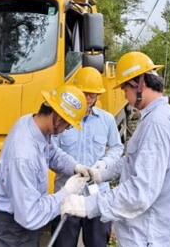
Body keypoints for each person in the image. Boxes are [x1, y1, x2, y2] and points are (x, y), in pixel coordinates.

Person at [61, 52, 170, 247]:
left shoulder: (157, 124)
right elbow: (130, 160)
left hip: (147, 237)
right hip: (141, 234)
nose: (124, 95)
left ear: (140, 84)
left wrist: (87, 205)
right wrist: (101, 174)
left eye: (125, 87)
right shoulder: (152, 118)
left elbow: (139, 193)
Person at [0, 84, 91, 247]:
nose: (67, 130)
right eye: (69, 125)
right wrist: (65, 193)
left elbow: (51, 153)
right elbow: (30, 215)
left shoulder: (32, 124)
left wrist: (75, 166)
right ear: (58, 118)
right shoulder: (23, 155)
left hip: (21, 219)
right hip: (15, 228)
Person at [51, 67, 124, 247]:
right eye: (85, 93)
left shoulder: (106, 120)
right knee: (63, 243)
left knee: (97, 243)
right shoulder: (62, 118)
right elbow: (51, 152)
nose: (89, 97)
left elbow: (116, 147)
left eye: (93, 94)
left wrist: (103, 164)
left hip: (98, 196)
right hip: (67, 193)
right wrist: (74, 168)